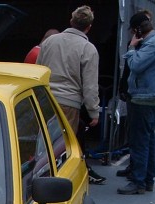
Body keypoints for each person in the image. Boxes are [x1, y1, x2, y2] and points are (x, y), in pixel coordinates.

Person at [36, 6, 106, 185]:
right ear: (89, 27)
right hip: (69, 103)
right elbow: (90, 85)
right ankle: (57, 184)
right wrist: (94, 112)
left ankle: (37, 179)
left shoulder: (50, 41)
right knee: (64, 146)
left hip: (45, 100)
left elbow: (37, 70)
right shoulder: (88, 49)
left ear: (71, 21)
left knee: (43, 143)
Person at [117, 11, 155, 195]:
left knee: (139, 141)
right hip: (147, 97)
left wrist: (131, 48)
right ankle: (147, 179)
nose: (132, 35)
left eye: (133, 31)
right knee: (147, 140)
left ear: (138, 29)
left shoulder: (153, 44)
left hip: (143, 99)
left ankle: (138, 181)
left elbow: (136, 65)